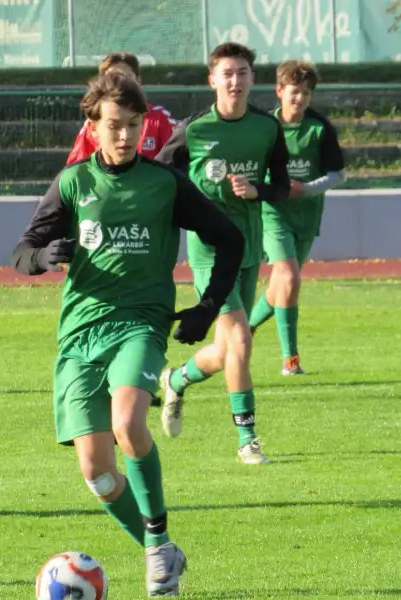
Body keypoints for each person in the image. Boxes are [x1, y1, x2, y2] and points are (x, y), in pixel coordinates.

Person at [11, 72, 244, 597]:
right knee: (96, 473)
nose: (124, 136)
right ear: (92, 127)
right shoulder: (72, 183)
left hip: (139, 322)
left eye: (133, 126)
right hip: (80, 335)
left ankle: (158, 545)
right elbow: (23, 250)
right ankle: (160, 550)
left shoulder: (164, 184)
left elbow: (226, 237)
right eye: (114, 126)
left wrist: (208, 307)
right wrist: (45, 257)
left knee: (127, 421)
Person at [155, 42, 291, 465]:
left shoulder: (267, 128)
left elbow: (282, 187)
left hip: (248, 248)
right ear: (212, 80)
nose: (235, 81)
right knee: (241, 341)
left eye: (243, 73)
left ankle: (176, 379)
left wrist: (258, 191)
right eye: (227, 73)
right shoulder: (194, 130)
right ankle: (247, 439)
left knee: (226, 350)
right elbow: (160, 176)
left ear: (253, 79)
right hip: (208, 251)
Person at [248, 60, 346, 375]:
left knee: (281, 286)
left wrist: (307, 189)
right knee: (289, 277)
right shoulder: (264, 128)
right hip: (274, 213)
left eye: (305, 93)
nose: (299, 98)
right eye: (293, 91)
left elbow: (337, 174)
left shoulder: (319, 128)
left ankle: (245, 327)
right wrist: (266, 191)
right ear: (279, 91)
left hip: (306, 216)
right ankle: (291, 359)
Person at [66, 52, 176, 165]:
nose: (120, 84)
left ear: (138, 81)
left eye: (133, 124)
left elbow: (177, 163)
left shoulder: (159, 118)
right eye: (113, 126)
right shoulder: (95, 124)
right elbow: (75, 167)